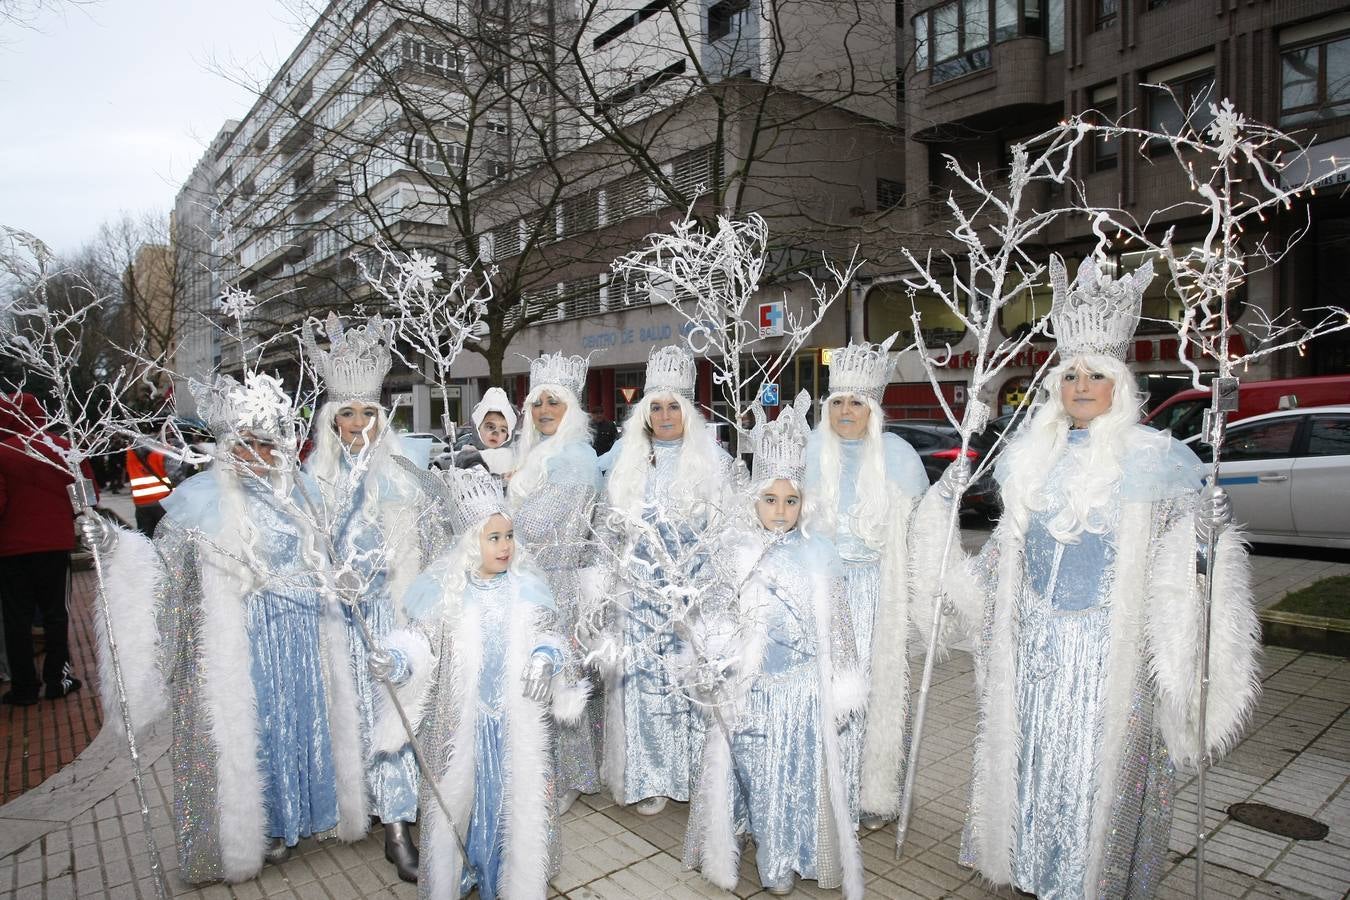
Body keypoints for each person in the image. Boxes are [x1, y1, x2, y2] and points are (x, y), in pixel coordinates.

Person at [916, 256, 1259, 897]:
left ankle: (1088, 880)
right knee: (1037, 759)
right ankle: (1035, 869)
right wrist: (939, 542)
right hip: (1036, 648)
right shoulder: (1028, 458)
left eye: (1093, 376)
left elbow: (1187, 572)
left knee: (1095, 770)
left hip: (1112, 654)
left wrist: (1209, 538)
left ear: (1118, 386)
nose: (1079, 385)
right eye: (1068, 374)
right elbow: (1001, 561)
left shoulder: (1159, 461)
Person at [79, 374, 368, 883]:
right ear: (228, 447)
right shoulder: (199, 502)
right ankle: (268, 827)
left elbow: (339, 559)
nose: (258, 455)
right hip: (246, 647)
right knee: (257, 735)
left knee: (303, 727)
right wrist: (111, 544)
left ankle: (307, 817)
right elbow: (163, 574)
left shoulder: (305, 496)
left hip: (304, 642)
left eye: (267, 443)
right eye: (246, 443)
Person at [369, 466, 590, 900]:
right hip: (464, 726)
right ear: (472, 542)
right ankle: (463, 871)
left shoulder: (526, 589)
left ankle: (508, 876)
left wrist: (547, 657)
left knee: (511, 804)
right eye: (494, 538)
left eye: (509, 536)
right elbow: (422, 641)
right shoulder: (449, 595)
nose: (505, 546)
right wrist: (396, 659)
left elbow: (552, 635)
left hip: (512, 724)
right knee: (464, 802)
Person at [684, 400, 867, 898]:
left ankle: (800, 847)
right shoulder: (734, 553)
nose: (781, 510)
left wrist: (844, 681)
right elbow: (714, 615)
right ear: (753, 501)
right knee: (761, 776)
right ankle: (772, 853)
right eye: (770, 500)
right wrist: (714, 656)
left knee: (801, 776)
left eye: (791, 500)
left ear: (804, 503)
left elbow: (841, 625)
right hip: (756, 690)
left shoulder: (820, 553)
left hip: (806, 690)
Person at [303, 313, 424, 881]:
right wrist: (330, 578)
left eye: (367, 413)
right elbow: (300, 555)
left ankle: (398, 824)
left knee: (391, 717)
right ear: (331, 420)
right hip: (335, 623)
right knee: (342, 716)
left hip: (386, 617)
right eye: (346, 414)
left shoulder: (399, 474)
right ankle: (351, 808)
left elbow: (413, 554)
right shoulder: (313, 481)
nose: (357, 424)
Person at [594, 344, 735, 816]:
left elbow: (729, 534)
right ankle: (651, 777)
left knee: (692, 681)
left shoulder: (716, 465)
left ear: (689, 413)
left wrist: (712, 593)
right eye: (656, 406)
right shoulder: (626, 463)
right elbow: (610, 532)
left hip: (694, 593)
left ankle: (697, 774)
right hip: (639, 596)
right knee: (646, 685)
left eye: (674, 405)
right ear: (644, 415)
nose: (665, 414)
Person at [804, 335, 928, 827]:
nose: (847, 411)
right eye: (839, 402)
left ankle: (873, 791)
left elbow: (921, 535)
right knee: (823, 689)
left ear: (873, 409)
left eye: (858, 402)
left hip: (878, 595)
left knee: (875, 691)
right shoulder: (809, 452)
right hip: (821, 593)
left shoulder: (899, 457)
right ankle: (823, 786)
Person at [507, 352, 605, 812]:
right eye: (537, 402)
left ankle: (572, 775)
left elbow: (543, 524)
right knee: (534, 679)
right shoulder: (536, 454)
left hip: (557, 584)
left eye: (555, 402)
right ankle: (540, 766)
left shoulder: (577, 458)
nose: (544, 410)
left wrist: (494, 514)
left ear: (572, 410)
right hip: (526, 581)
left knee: (561, 679)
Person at [0, 392, 94, 705]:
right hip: (55, 544)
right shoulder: (63, 448)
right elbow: (86, 498)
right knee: (56, 613)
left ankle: (25, 687)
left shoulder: (3, 451)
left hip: (11, 547)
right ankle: (57, 679)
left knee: (17, 619)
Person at [125, 425, 175, 537]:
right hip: (163, 501)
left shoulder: (131, 450)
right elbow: (173, 476)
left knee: (147, 540)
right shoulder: (163, 449)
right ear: (163, 429)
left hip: (141, 502)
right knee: (166, 539)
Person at [455, 387, 517, 476]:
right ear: (478, 428)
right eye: (490, 427)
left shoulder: (513, 459)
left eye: (503, 430)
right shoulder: (469, 458)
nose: (496, 433)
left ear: (508, 436)